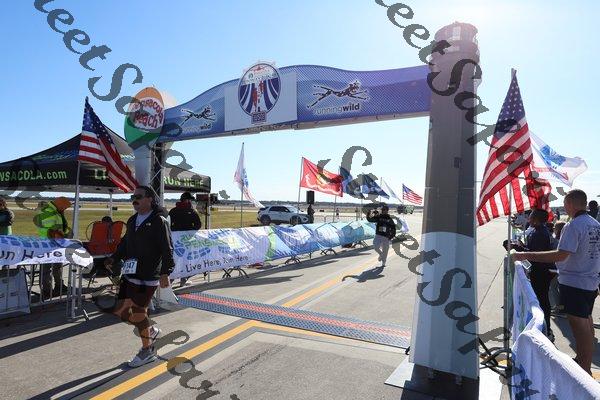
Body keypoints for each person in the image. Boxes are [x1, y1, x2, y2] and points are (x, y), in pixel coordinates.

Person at [513, 190, 600, 375]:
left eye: (565, 203)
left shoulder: (573, 225)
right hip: (590, 281)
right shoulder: (595, 224)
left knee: (580, 329)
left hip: (575, 283)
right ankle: (583, 361)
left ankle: (584, 371)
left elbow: (561, 255)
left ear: (570, 204)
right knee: (587, 323)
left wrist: (526, 255)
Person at [105, 186, 175, 368]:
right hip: (130, 272)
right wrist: (114, 257)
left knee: (138, 312)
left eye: (138, 196)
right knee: (121, 311)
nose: (134, 200)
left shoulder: (158, 220)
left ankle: (148, 350)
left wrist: (166, 272)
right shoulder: (132, 219)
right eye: (132, 197)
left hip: (148, 274)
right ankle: (150, 330)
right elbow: (125, 243)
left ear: (150, 199)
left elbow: (167, 248)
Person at [524, 209, 555, 341]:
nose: (529, 219)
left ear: (536, 219)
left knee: (541, 300)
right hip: (540, 270)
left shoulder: (540, 233)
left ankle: (545, 329)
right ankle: (544, 327)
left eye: (531, 217)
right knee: (542, 299)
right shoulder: (539, 231)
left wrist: (521, 249)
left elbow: (536, 254)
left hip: (540, 272)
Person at [34, 196, 71, 299]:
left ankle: (59, 286)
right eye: (64, 207)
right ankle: (47, 291)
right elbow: (51, 230)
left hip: (56, 243)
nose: (65, 209)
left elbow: (59, 228)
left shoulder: (56, 211)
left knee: (57, 266)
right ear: (60, 204)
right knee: (46, 269)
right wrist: (61, 236)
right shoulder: (49, 211)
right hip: (48, 244)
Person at [168, 192, 201, 286]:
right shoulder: (192, 211)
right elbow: (198, 225)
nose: (191, 202)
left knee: (175, 259)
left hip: (175, 240)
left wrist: (175, 231)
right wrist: (189, 232)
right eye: (190, 200)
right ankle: (183, 279)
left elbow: (168, 224)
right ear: (187, 200)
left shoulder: (173, 210)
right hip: (187, 240)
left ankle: (171, 280)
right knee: (186, 259)